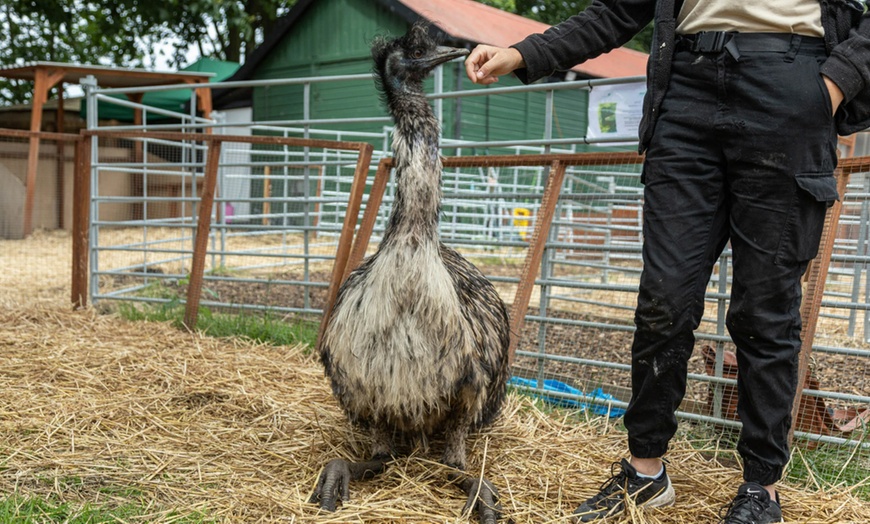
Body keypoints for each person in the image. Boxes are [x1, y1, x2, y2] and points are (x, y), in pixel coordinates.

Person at [465, 1, 870, 523]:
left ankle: (760, 489)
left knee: (764, 309)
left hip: (791, 85)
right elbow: (617, 10)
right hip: (687, 93)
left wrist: (834, 82)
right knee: (664, 298)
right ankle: (645, 470)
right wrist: (523, 52)